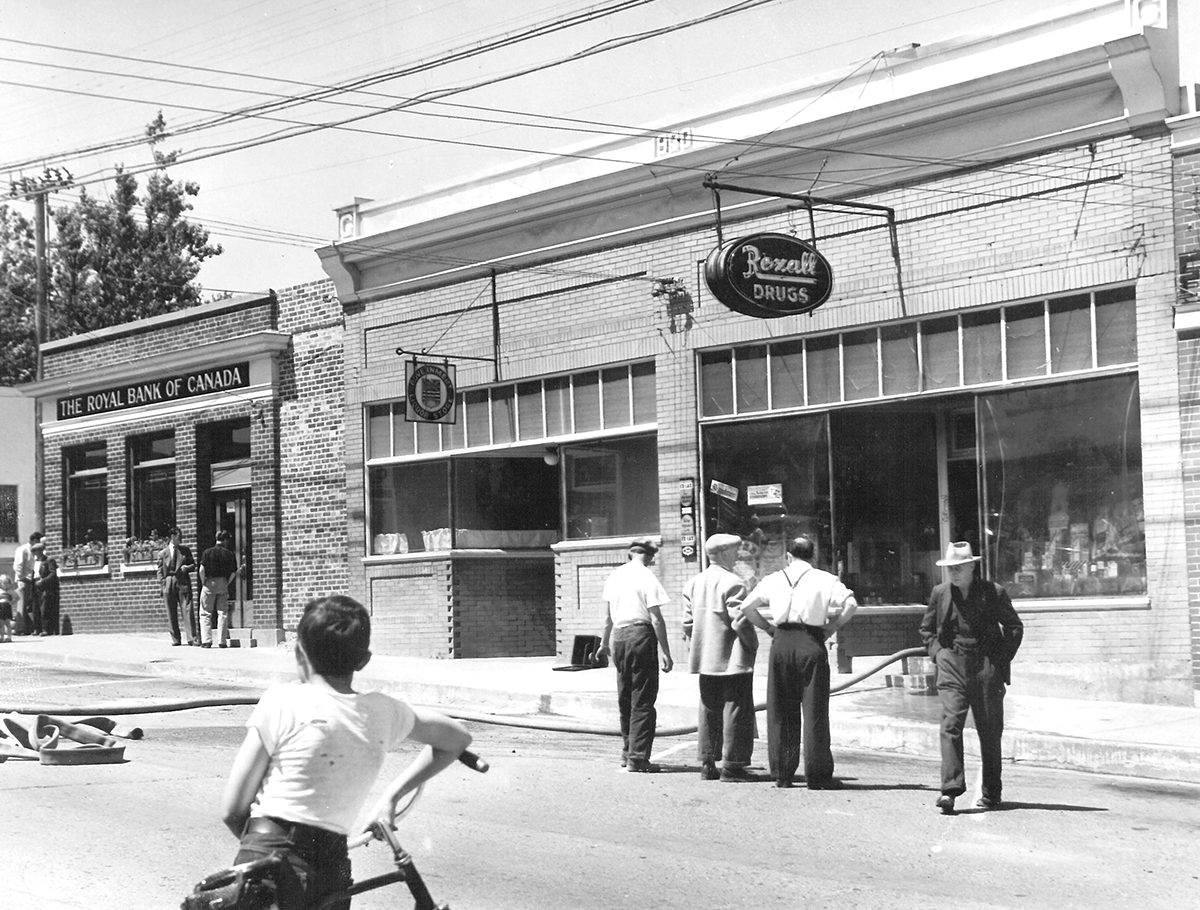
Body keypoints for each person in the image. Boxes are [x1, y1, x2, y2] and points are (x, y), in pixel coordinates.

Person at [219, 594, 472, 910]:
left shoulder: (281, 701)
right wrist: (391, 798)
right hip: (330, 868)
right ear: (363, 660)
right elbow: (457, 737)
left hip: (266, 855)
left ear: (299, 652)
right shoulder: (382, 712)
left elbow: (232, 810)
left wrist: (269, 854)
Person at [740, 536, 857, 789]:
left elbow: (747, 607)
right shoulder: (826, 579)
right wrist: (832, 626)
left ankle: (783, 774)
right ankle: (818, 776)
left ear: (789, 556)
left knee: (781, 709)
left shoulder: (773, 579)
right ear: (812, 556)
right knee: (814, 709)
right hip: (811, 642)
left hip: (781, 643)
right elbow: (851, 603)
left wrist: (769, 629)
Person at [920, 541, 1024, 814]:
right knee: (950, 724)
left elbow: (1014, 627)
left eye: (959, 567)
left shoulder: (993, 592)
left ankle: (991, 792)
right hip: (953, 665)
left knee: (989, 730)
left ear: (972, 567)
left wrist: (1000, 662)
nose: (954, 573)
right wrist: (938, 654)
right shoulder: (940, 594)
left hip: (985, 667)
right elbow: (927, 630)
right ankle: (950, 790)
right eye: (950, 568)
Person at [682, 533, 758, 782]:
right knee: (736, 709)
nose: (738, 556)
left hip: (705, 658)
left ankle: (707, 762)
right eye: (735, 552)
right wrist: (752, 644)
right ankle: (733, 765)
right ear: (724, 553)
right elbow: (741, 621)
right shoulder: (733, 582)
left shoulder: (693, 583)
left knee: (708, 707)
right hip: (732, 658)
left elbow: (687, 623)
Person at [595, 539, 674, 773]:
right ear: (649, 557)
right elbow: (657, 618)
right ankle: (638, 758)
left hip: (619, 637)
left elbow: (608, 617)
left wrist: (603, 644)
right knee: (643, 698)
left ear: (630, 554)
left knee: (625, 696)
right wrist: (666, 651)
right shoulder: (647, 577)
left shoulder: (614, 576)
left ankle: (627, 751)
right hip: (641, 635)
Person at [199, 530, 239, 649]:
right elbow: (233, 572)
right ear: (225, 540)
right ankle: (222, 641)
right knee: (222, 613)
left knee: (205, 612)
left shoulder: (207, 552)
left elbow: (201, 569)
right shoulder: (229, 554)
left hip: (209, 583)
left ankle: (206, 641)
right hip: (222, 582)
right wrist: (227, 583)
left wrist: (203, 582)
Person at [157, 527, 197, 646]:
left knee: (187, 609)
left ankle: (192, 638)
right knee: (171, 610)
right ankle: (176, 638)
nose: (180, 539)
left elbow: (193, 565)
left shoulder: (185, 550)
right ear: (172, 537)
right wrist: (162, 584)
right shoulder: (163, 553)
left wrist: (187, 568)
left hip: (183, 580)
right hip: (169, 581)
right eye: (178, 537)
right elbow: (159, 571)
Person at [12, 531, 45, 636]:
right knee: (22, 604)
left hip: (31, 580)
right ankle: (20, 629)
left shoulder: (34, 551)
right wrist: (22, 579)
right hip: (24, 580)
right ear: (35, 540)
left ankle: (28, 628)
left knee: (29, 606)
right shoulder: (23, 549)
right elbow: (18, 565)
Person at [36, 558, 61, 636]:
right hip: (39, 588)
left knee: (46, 609)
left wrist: (42, 581)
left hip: (49, 589)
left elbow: (52, 574)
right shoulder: (37, 562)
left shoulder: (49, 561)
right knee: (41, 609)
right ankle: (41, 629)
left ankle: (47, 629)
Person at [0, 573, 15, 642]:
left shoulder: (10, 591)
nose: (5, 585)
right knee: (1, 623)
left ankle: (9, 637)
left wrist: (11, 602)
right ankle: (1, 637)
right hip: (1, 607)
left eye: (7, 583)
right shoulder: (0, 591)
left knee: (7, 623)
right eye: (4, 583)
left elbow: (17, 597)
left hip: (7, 607)